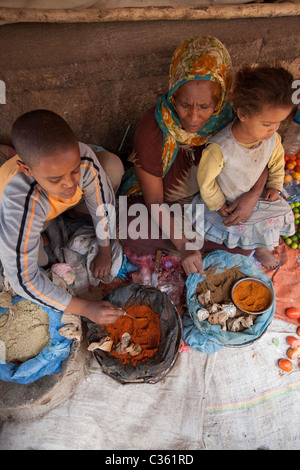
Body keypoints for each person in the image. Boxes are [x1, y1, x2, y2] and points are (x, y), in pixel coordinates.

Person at [119, 35, 267, 275]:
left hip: (210, 205)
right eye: (185, 105)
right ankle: (191, 248)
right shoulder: (155, 124)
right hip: (163, 207)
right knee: (129, 228)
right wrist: (184, 245)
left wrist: (254, 194)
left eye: (204, 106)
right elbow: (155, 202)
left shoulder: (233, 118)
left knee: (242, 237)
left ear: (218, 101)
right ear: (173, 94)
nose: (193, 117)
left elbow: (260, 157)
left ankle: (192, 247)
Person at [0, 109, 125, 324]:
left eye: (74, 170)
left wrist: (104, 248)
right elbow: (24, 280)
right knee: (40, 261)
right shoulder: (20, 202)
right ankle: (41, 231)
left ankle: (69, 214)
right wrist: (85, 308)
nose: (69, 183)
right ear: (27, 170)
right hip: (32, 216)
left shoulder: (82, 157)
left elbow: (104, 204)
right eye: (56, 178)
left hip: (59, 205)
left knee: (111, 167)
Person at [191, 65, 296, 269]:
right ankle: (246, 247)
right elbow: (206, 181)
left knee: (273, 217)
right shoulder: (221, 148)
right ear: (242, 114)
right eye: (267, 124)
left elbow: (276, 162)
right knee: (228, 231)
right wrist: (218, 203)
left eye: (279, 123)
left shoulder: (272, 139)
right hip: (227, 203)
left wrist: (275, 184)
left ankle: (260, 249)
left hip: (257, 195)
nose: (273, 129)